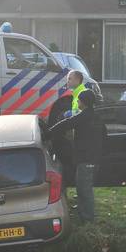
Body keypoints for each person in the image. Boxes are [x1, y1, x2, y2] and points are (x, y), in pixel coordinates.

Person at [47, 90, 102, 223]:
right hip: (93, 158)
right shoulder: (96, 116)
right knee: (82, 187)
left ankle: (88, 219)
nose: (77, 102)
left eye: (79, 100)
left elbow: (66, 124)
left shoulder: (84, 116)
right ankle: (84, 214)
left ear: (84, 102)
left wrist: (48, 132)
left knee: (84, 190)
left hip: (86, 160)